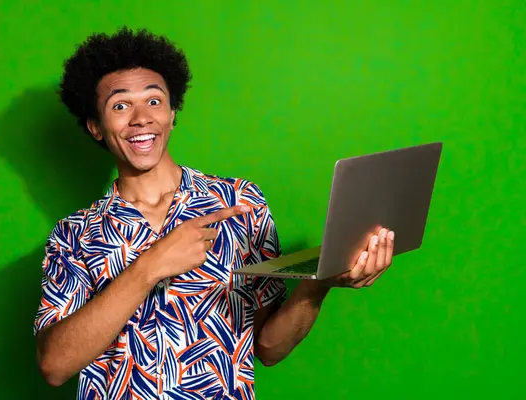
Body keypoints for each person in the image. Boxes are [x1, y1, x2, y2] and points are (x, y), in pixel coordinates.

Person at [33, 27, 395, 400]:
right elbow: (55, 365)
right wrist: (150, 266)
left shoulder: (240, 203)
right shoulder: (74, 233)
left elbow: (269, 348)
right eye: (120, 106)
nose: (141, 118)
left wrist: (318, 284)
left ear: (173, 114)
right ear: (96, 126)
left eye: (154, 101)